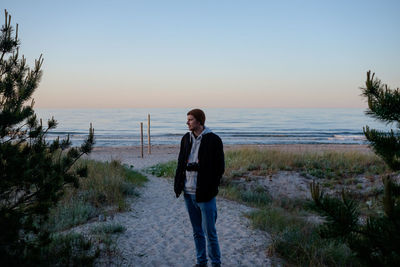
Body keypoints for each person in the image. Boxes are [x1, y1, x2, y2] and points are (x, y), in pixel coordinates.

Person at [174, 109, 225, 267]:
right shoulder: (185, 138)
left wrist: (210, 185)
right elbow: (180, 163)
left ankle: (216, 263)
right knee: (197, 232)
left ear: (199, 121)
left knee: (210, 233)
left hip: (205, 194)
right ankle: (201, 262)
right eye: (187, 119)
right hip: (188, 192)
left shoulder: (214, 140)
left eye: (190, 119)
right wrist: (178, 185)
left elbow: (219, 168)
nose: (187, 122)